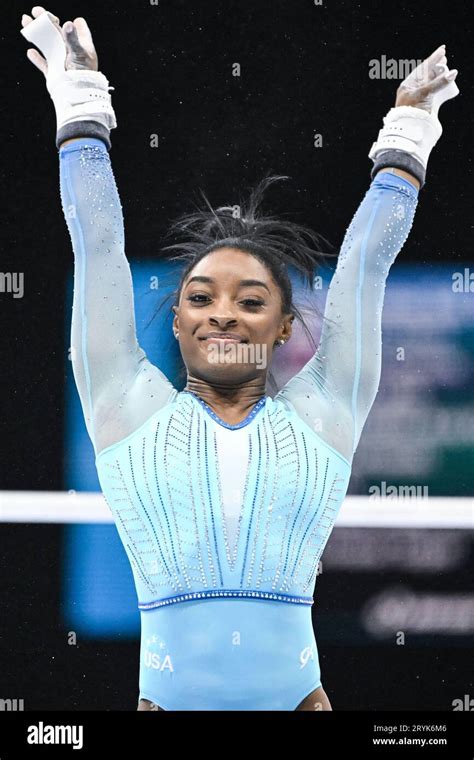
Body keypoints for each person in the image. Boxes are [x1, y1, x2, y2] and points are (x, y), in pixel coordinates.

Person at [20, 6, 459, 710]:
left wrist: (408, 135)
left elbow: (365, 269)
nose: (222, 311)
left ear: (285, 329)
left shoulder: (323, 413)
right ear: (177, 317)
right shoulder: (123, 407)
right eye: (201, 297)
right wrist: (79, 105)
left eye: (251, 301)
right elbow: (95, 247)